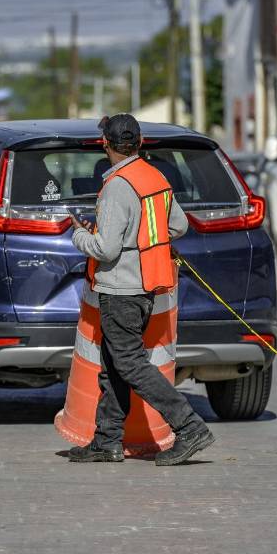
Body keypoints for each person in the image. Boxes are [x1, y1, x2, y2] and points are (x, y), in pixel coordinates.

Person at [67, 113, 214, 466]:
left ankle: (189, 427)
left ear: (105, 144)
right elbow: (178, 225)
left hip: (121, 289)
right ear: (140, 143)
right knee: (114, 365)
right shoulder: (154, 177)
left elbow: (106, 250)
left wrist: (79, 235)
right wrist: (141, 236)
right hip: (147, 286)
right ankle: (107, 441)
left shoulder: (117, 186)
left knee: (129, 364)